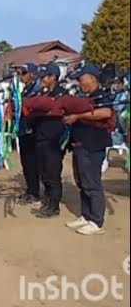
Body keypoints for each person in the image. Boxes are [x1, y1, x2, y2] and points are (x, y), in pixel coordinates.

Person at [64, 64, 114, 235]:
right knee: (82, 182)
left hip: (93, 146)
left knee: (92, 183)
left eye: (81, 79)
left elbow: (105, 113)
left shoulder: (102, 95)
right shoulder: (85, 97)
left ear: (92, 78)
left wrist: (78, 116)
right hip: (80, 146)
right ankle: (86, 215)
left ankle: (97, 221)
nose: (79, 82)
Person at [30, 62, 67, 219]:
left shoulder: (61, 93)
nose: (42, 80)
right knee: (43, 172)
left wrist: (40, 113)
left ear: (53, 77)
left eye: (44, 77)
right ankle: (47, 200)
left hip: (54, 139)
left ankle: (54, 205)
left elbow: (61, 111)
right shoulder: (42, 92)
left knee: (52, 173)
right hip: (40, 136)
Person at [15, 63, 42, 205]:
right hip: (23, 130)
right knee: (26, 162)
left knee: (32, 163)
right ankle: (30, 189)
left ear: (32, 74)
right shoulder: (25, 89)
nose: (21, 76)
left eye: (24, 73)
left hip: (32, 130)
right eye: (20, 73)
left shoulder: (37, 89)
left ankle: (35, 192)